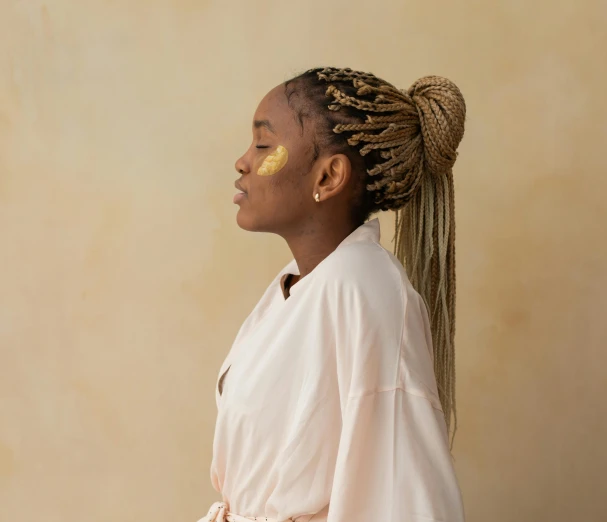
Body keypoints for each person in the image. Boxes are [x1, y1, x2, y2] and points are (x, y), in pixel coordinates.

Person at [200, 67, 466, 522]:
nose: (243, 162)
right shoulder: (298, 285)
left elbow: (404, 497)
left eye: (263, 145)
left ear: (329, 177)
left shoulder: (366, 292)